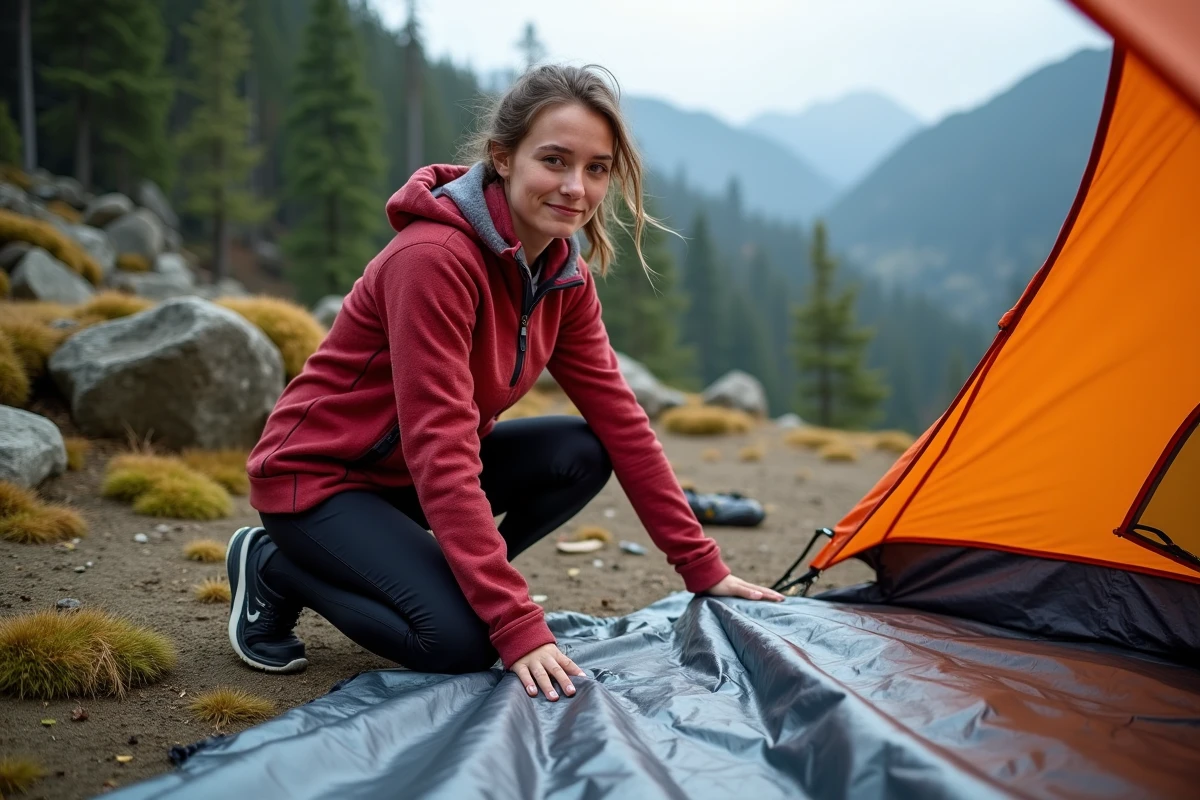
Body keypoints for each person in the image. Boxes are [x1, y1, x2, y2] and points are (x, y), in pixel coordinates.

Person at [227, 64, 784, 703]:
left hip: (402, 478)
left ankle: (450, 582)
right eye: (554, 160)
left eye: (597, 168)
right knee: (462, 643)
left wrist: (703, 569)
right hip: (321, 481)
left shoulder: (560, 274)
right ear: (503, 157)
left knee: (582, 451)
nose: (576, 187)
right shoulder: (432, 260)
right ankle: (275, 567)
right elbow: (441, 447)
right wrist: (513, 622)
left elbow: (622, 421)